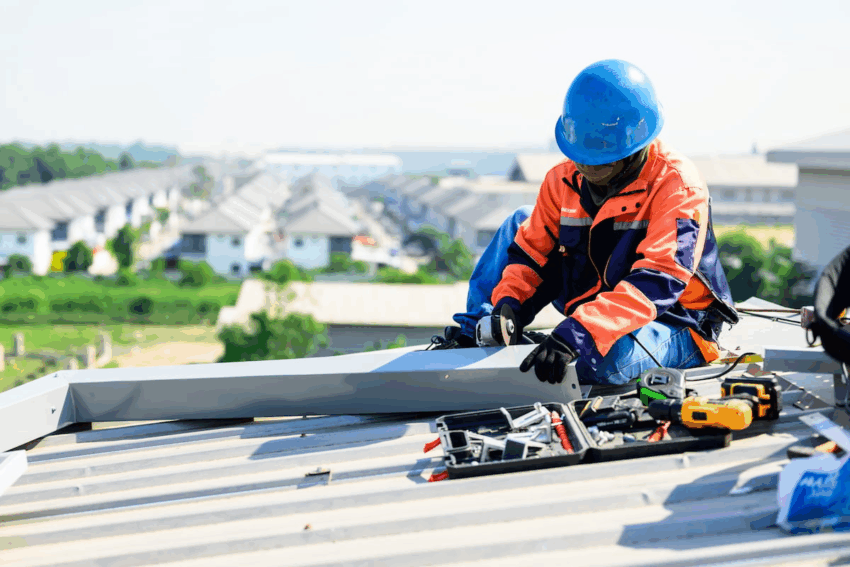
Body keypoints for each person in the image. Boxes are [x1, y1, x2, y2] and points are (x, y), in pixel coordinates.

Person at [428, 59, 739, 386]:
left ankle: (587, 340)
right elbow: (531, 255)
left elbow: (660, 280)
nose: (586, 166)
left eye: (600, 156)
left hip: (674, 320)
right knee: (519, 221)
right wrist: (509, 307)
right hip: (599, 304)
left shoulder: (677, 185)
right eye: (581, 153)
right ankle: (476, 331)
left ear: (634, 144)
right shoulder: (562, 180)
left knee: (600, 363)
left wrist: (581, 333)